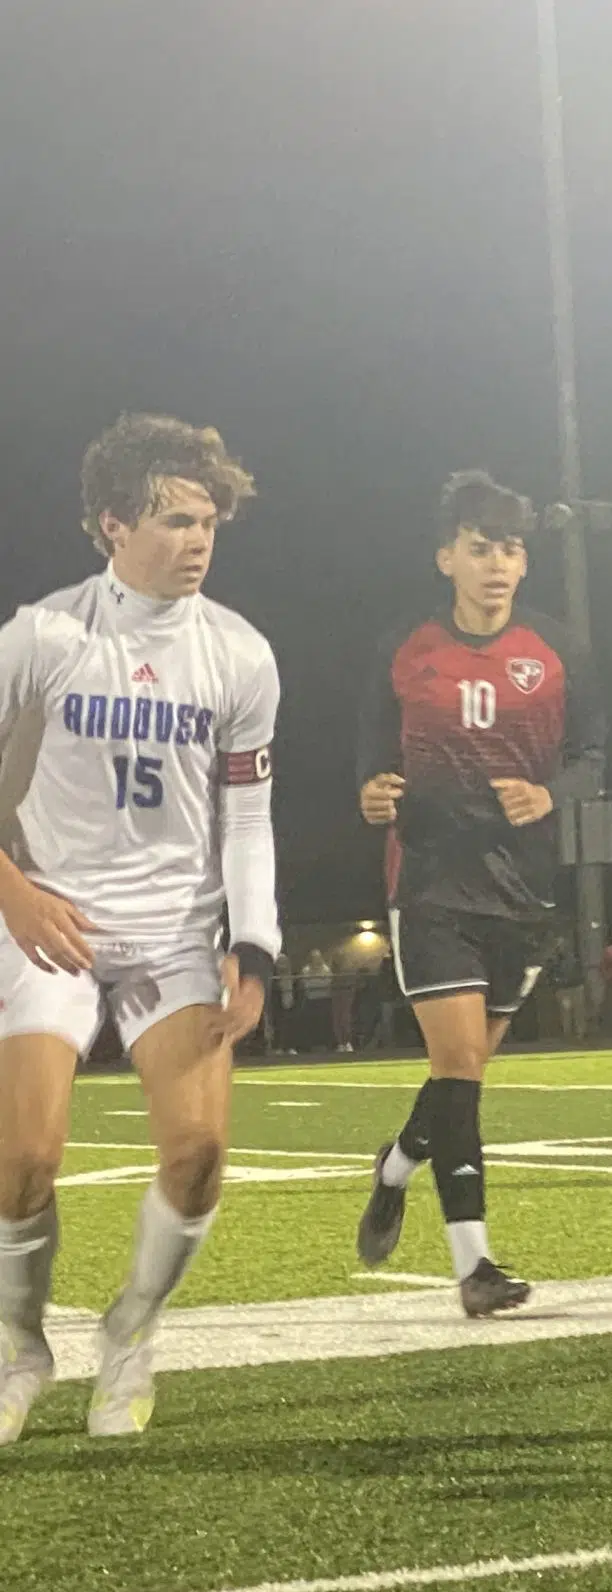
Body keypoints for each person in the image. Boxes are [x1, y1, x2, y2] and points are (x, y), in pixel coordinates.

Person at [0, 413, 279, 1441]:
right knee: (23, 1160)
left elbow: (246, 814)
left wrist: (251, 943)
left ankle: (133, 1326)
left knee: (201, 1151)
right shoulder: (44, 636)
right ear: (111, 525)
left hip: (172, 934)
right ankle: (21, 1345)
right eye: (173, 519)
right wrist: (16, 896)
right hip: (50, 924)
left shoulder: (240, 655)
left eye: (208, 520)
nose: (198, 539)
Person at [351, 471, 606, 1316]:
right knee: (457, 1065)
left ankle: (395, 1165)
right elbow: (371, 759)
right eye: (480, 547)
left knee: (464, 1076)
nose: (497, 564)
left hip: (522, 890)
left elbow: (593, 758)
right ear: (446, 557)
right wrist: (371, 793)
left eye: (511, 548)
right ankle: (476, 1268)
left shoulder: (561, 649)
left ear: (524, 562)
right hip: (430, 883)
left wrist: (553, 795)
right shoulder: (402, 647)